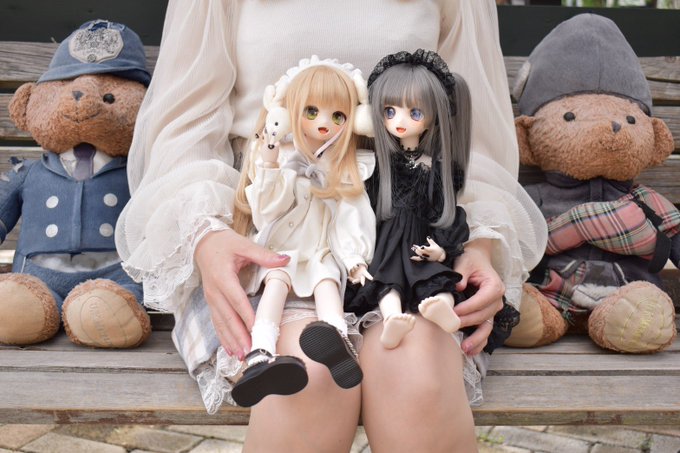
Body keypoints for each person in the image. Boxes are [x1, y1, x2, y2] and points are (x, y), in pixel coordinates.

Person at [115, 1, 547, 451]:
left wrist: (478, 245)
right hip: (268, 233)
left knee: (416, 371)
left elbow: (474, 143)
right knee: (306, 377)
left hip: (406, 238)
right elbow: (183, 131)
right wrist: (206, 236)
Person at [229, 58, 376, 407]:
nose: (324, 123)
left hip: (321, 249)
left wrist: (354, 258)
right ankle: (261, 354)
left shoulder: (346, 166)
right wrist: (269, 163)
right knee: (275, 284)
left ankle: (337, 340)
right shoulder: (278, 156)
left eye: (337, 116)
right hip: (283, 248)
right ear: (286, 112)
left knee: (327, 281)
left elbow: (351, 216)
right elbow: (265, 212)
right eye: (312, 111)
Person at [345, 50, 473, 350]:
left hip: (420, 242)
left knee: (437, 277)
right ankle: (392, 320)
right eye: (389, 111)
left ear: (433, 117)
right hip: (386, 243)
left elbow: (445, 212)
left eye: (415, 113)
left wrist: (441, 250)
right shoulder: (378, 166)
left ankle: (443, 308)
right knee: (385, 280)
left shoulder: (436, 169)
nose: (399, 121)